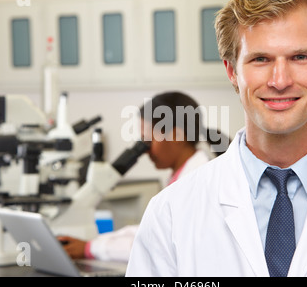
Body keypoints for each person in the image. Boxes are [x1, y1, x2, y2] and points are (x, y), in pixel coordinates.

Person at [126, 0, 307, 277]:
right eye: (260, 59)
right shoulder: (170, 213)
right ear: (232, 71)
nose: (280, 81)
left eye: (299, 57)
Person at [58, 91, 230, 262]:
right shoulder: (184, 174)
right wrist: (93, 243)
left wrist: (90, 248)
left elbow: (157, 244)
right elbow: (149, 231)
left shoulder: (196, 181)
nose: (145, 150)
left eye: (148, 140)